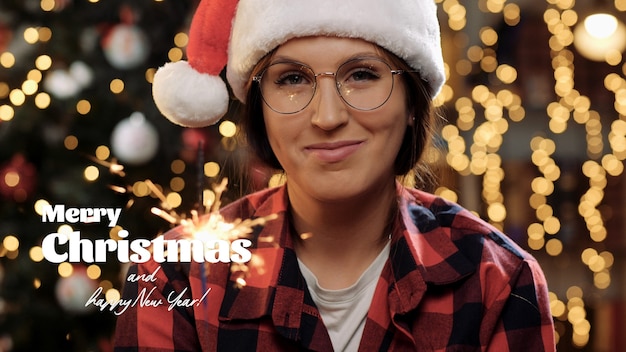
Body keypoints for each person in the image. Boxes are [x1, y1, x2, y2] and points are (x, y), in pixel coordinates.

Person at [114, 0, 556, 351]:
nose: (327, 116)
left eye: (362, 75)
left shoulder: (497, 279)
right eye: (292, 80)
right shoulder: (173, 276)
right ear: (259, 107)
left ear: (410, 102)